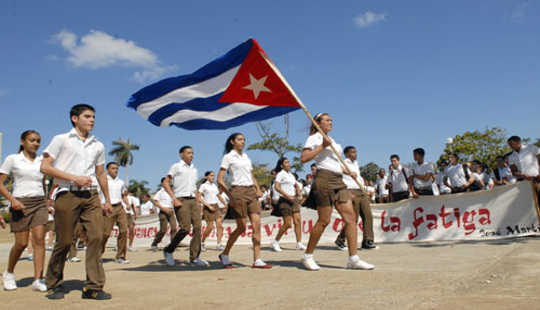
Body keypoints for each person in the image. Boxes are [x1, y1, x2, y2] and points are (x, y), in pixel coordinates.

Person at [40, 104, 113, 300]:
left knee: (97, 237)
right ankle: (54, 283)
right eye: (87, 116)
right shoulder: (61, 140)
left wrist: (107, 199)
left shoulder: (98, 145)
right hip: (67, 194)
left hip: (91, 196)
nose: (92, 120)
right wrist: (74, 178)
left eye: (93, 117)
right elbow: (45, 167)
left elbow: (100, 173)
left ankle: (93, 286)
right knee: (64, 241)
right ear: (74, 118)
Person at [300, 113, 374, 271]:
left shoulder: (332, 140)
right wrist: (322, 146)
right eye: (326, 120)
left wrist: (347, 172)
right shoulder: (314, 138)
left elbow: (333, 162)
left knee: (351, 218)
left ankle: (353, 259)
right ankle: (308, 256)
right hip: (323, 180)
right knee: (324, 220)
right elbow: (304, 158)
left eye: (331, 120)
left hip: (339, 181)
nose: (330, 122)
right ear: (318, 123)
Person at [0, 130, 48, 292]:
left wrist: (46, 201)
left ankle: (38, 279)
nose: (36, 143)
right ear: (22, 141)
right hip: (20, 202)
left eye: (38, 141)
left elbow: (43, 183)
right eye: (32, 140)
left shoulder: (42, 161)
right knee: (21, 243)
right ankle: (9, 273)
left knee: (40, 239)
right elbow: (0, 183)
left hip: (39, 202)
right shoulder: (13, 159)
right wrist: (12, 199)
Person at [217, 133, 271, 269]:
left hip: (251, 192)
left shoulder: (246, 156)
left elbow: (250, 174)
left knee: (257, 224)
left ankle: (257, 259)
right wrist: (230, 196)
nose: (243, 142)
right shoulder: (228, 157)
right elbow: (220, 179)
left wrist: (258, 188)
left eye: (244, 140)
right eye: (240, 139)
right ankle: (225, 254)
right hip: (238, 191)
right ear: (232, 142)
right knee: (242, 227)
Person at [162, 146, 208, 267]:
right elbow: (165, 182)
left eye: (192, 153)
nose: (191, 155)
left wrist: (199, 202)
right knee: (185, 228)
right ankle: (169, 250)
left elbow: (194, 187)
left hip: (193, 200)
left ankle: (194, 258)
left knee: (198, 228)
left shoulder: (194, 169)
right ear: (181, 154)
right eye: (188, 153)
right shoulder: (176, 166)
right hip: (181, 200)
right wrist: (174, 198)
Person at [335, 146, 376, 251]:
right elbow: (339, 171)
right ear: (347, 154)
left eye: (356, 152)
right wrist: (348, 174)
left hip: (360, 190)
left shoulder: (356, 164)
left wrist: (365, 189)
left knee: (368, 216)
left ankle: (368, 241)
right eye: (352, 152)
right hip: (351, 191)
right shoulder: (343, 163)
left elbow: (359, 178)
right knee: (353, 218)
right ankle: (341, 239)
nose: (355, 154)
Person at [271, 157, 305, 252]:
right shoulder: (280, 174)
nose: (289, 164)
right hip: (284, 200)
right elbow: (277, 187)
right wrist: (287, 196)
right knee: (287, 224)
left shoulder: (291, 175)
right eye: (286, 162)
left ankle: (299, 243)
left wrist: (298, 192)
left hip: (294, 200)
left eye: (289, 162)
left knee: (297, 221)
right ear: (281, 165)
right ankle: (276, 242)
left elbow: (296, 184)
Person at [100, 162, 130, 264]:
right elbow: (97, 195)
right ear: (107, 170)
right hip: (108, 208)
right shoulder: (103, 181)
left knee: (124, 231)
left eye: (117, 168)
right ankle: (98, 254)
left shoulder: (120, 182)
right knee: (106, 233)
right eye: (113, 168)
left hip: (120, 207)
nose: (115, 170)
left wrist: (127, 203)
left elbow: (123, 195)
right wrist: (102, 205)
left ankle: (121, 256)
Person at [199, 171, 225, 251]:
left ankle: (219, 244)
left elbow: (218, 195)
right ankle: (202, 243)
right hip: (208, 207)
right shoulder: (203, 186)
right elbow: (198, 198)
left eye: (214, 176)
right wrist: (208, 206)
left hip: (216, 206)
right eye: (211, 175)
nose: (213, 177)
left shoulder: (214, 185)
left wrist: (225, 203)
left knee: (220, 226)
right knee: (210, 227)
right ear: (206, 177)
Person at [150, 178, 177, 249]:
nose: (168, 183)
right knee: (163, 230)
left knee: (174, 228)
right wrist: (164, 209)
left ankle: (173, 244)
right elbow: (155, 202)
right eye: (166, 182)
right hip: (163, 212)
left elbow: (174, 201)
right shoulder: (160, 192)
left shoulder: (172, 192)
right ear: (162, 183)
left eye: (169, 182)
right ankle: (155, 243)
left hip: (171, 211)